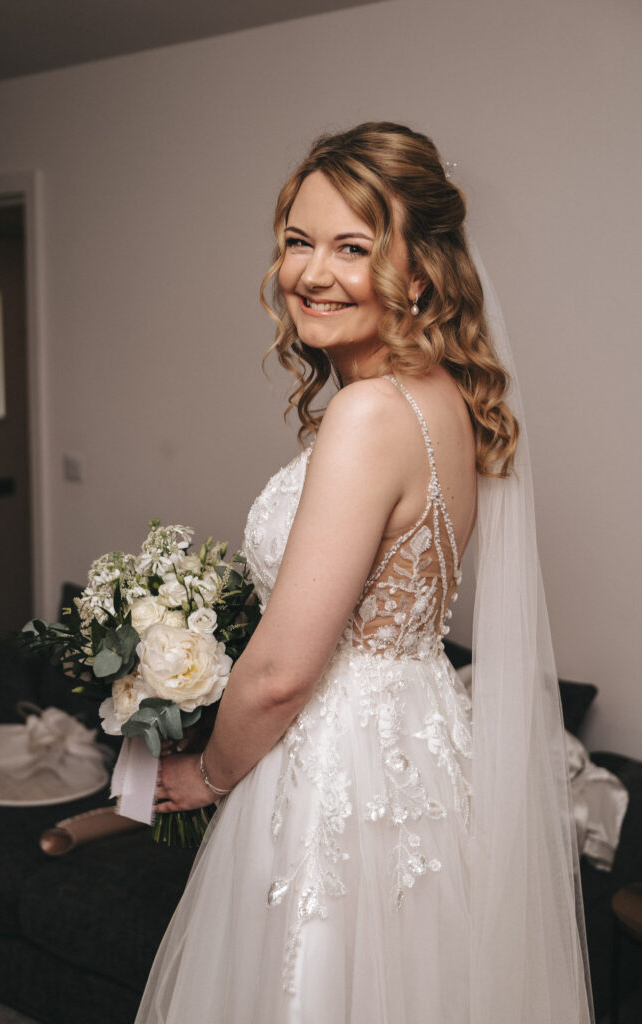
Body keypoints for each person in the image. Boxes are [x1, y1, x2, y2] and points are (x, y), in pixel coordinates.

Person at [137, 122, 593, 1023]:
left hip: (336, 770)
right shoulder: (443, 400)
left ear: (416, 271)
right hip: (419, 751)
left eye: (353, 248)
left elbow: (282, 673)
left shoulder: (369, 415)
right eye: (298, 242)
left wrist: (208, 776)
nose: (311, 273)